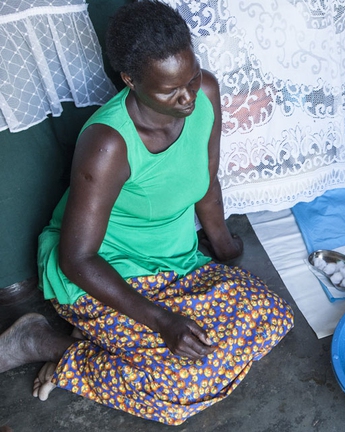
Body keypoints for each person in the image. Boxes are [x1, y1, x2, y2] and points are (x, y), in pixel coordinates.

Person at [0, 1, 293, 425]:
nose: (188, 96)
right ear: (130, 80)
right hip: (101, 273)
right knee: (185, 384)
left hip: (176, 262)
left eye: (191, 77)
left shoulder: (206, 93)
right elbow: (77, 258)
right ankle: (44, 344)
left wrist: (225, 250)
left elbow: (206, 183)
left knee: (272, 314)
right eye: (169, 90)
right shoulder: (108, 144)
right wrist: (162, 321)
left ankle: (116, 342)